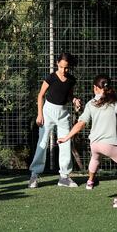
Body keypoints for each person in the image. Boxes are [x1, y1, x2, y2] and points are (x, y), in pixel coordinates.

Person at [58, 74, 117, 208]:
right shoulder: (115, 100)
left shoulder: (91, 103)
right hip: (109, 144)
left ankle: (90, 181)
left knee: (95, 158)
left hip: (95, 144)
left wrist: (66, 137)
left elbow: (81, 123)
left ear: (95, 88)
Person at [28, 52, 81, 188]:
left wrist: (74, 100)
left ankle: (64, 177)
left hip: (63, 113)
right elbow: (40, 95)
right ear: (57, 64)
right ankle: (34, 174)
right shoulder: (51, 78)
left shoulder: (71, 80)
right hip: (48, 112)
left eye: (67, 68)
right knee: (43, 142)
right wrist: (40, 115)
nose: (64, 70)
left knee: (65, 143)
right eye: (62, 67)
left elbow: (69, 96)